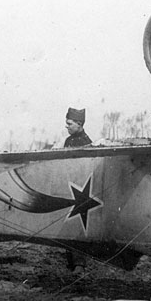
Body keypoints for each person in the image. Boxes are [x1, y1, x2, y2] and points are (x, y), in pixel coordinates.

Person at [63, 107, 91, 273]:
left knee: (78, 226)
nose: (66, 126)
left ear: (79, 123)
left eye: (69, 123)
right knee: (69, 226)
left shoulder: (86, 142)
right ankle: (72, 264)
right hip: (70, 187)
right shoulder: (69, 140)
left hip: (81, 190)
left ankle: (79, 265)